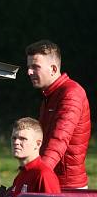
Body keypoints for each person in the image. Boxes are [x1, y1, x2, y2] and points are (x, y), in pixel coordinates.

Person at [26, 40, 91, 189]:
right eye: (29, 67)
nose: (29, 72)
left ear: (53, 69)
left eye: (35, 67)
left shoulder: (71, 93)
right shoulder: (50, 95)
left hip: (67, 188)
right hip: (52, 181)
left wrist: (39, 174)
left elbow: (59, 139)